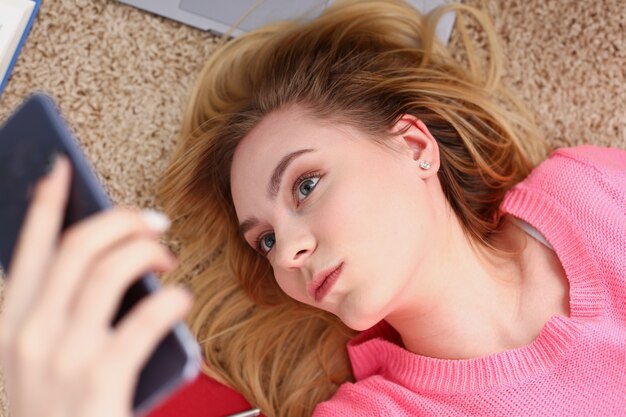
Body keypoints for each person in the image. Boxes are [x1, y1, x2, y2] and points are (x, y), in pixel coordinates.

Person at [1, 0, 625, 416]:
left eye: (304, 185)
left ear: (414, 146)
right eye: (264, 241)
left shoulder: (586, 193)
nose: (289, 252)